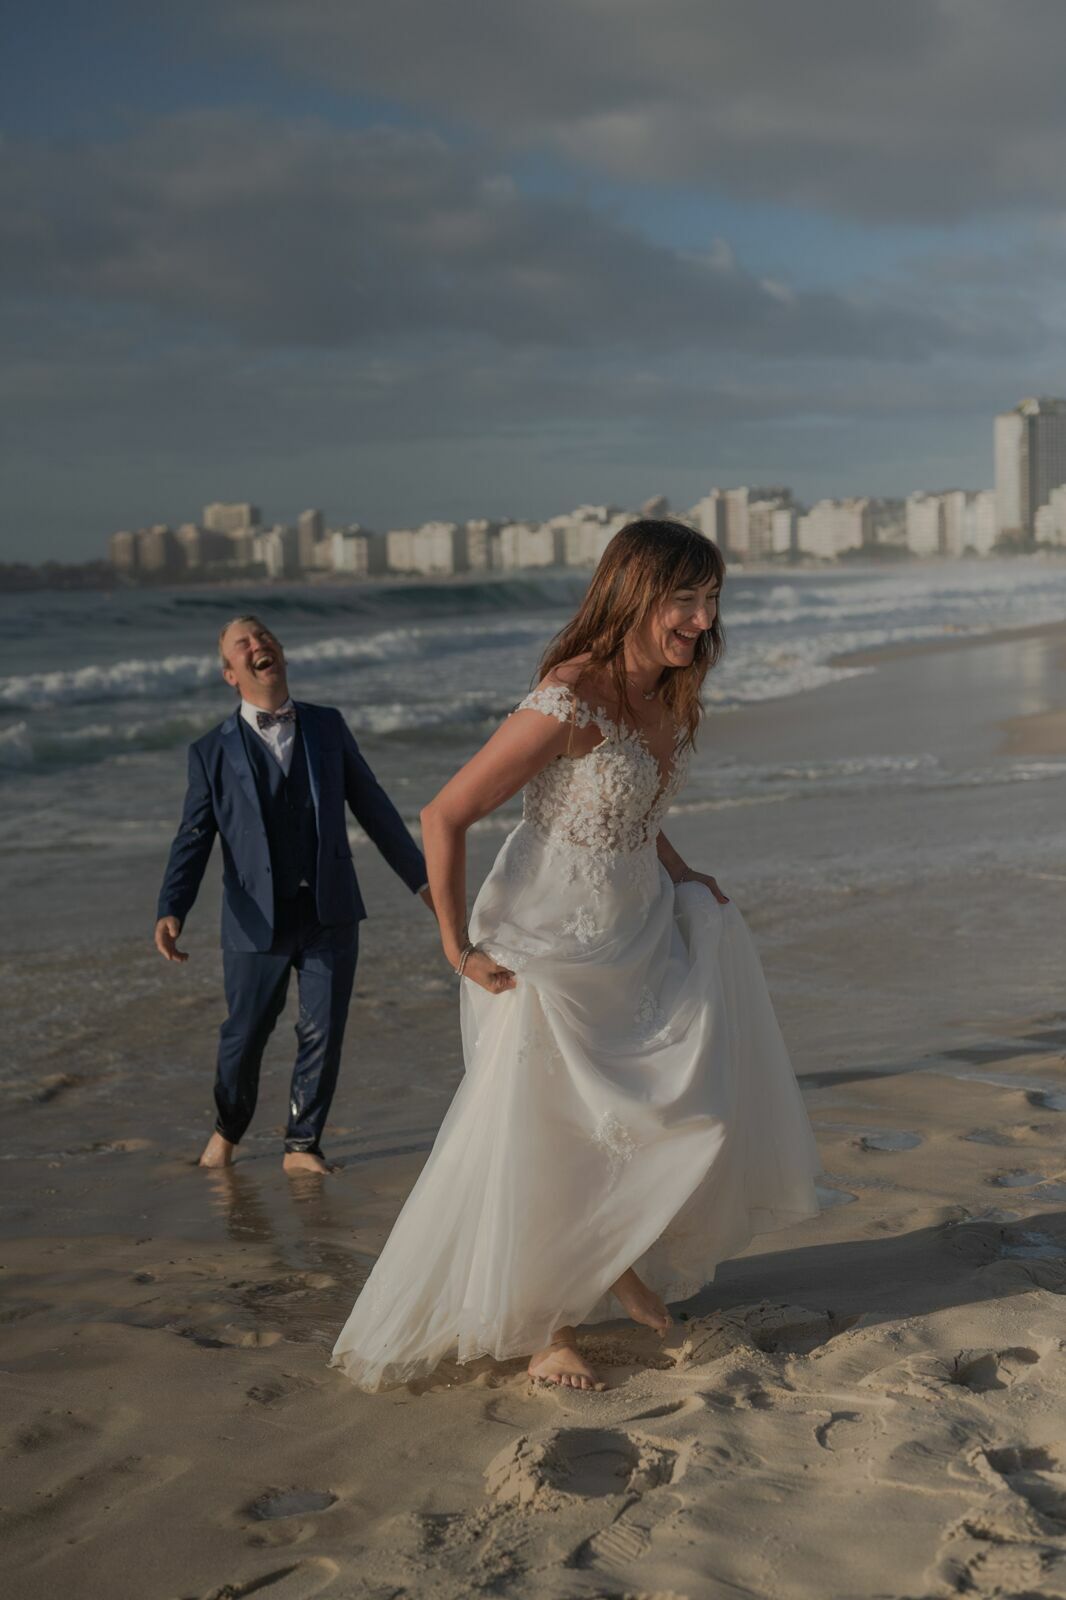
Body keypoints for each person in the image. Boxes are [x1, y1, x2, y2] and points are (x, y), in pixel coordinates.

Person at [331, 521, 821, 1390]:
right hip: (543, 944)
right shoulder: (572, 695)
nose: (702, 620)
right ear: (633, 592)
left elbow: (637, 817)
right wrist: (456, 947)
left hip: (629, 935)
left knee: (676, 1112)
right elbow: (443, 816)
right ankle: (547, 1328)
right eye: (685, 598)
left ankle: (609, 1255)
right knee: (546, 1131)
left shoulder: (669, 693)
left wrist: (682, 872)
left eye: (711, 600)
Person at [155, 615, 433, 1175]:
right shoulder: (209, 752)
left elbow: (374, 807)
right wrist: (171, 907)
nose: (259, 645)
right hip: (254, 918)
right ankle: (228, 1129)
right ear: (230, 673)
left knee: (323, 1029)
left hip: (329, 907)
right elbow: (193, 836)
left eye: (264, 637)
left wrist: (425, 880)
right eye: (244, 644)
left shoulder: (327, 727)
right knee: (246, 1033)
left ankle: (302, 1145)